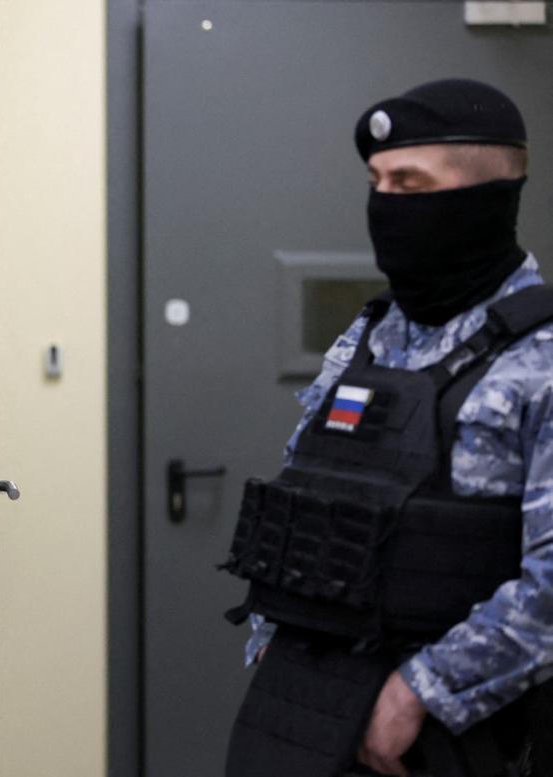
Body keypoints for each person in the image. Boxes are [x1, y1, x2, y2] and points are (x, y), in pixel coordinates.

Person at [222, 79, 553, 777]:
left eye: (409, 183)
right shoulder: (369, 336)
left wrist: (417, 695)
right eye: (377, 182)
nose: (385, 205)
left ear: (484, 198)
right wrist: (274, 647)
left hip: (459, 733)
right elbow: (309, 497)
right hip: (308, 715)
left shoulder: (540, 356)